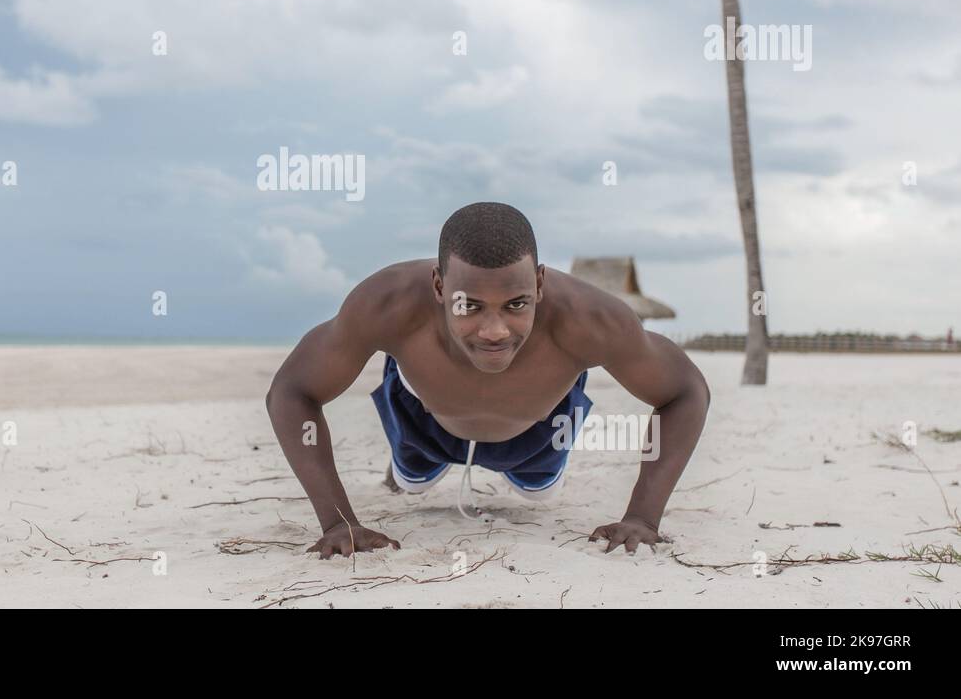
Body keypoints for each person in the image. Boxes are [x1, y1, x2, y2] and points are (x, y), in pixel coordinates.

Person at [266, 201, 710, 559]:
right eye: (470, 306)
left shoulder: (591, 319)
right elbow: (292, 391)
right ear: (439, 287)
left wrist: (644, 517)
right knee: (411, 480)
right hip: (422, 426)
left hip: (537, 437)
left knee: (538, 492)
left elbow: (685, 392)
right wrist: (336, 520)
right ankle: (409, 463)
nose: (494, 330)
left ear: (539, 284)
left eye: (516, 304)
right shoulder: (386, 304)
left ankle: (522, 467)